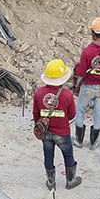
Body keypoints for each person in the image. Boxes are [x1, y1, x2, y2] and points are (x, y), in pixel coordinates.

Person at [34, 59, 82, 190]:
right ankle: (70, 181)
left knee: (48, 156)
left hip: (45, 132)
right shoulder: (67, 95)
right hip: (62, 132)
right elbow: (72, 115)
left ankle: (51, 182)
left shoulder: (39, 93)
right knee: (68, 155)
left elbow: (35, 114)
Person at [73, 17, 100, 149]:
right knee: (98, 114)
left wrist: (77, 86)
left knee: (80, 111)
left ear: (93, 34)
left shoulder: (87, 51)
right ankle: (93, 143)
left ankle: (78, 141)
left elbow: (81, 72)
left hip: (88, 86)